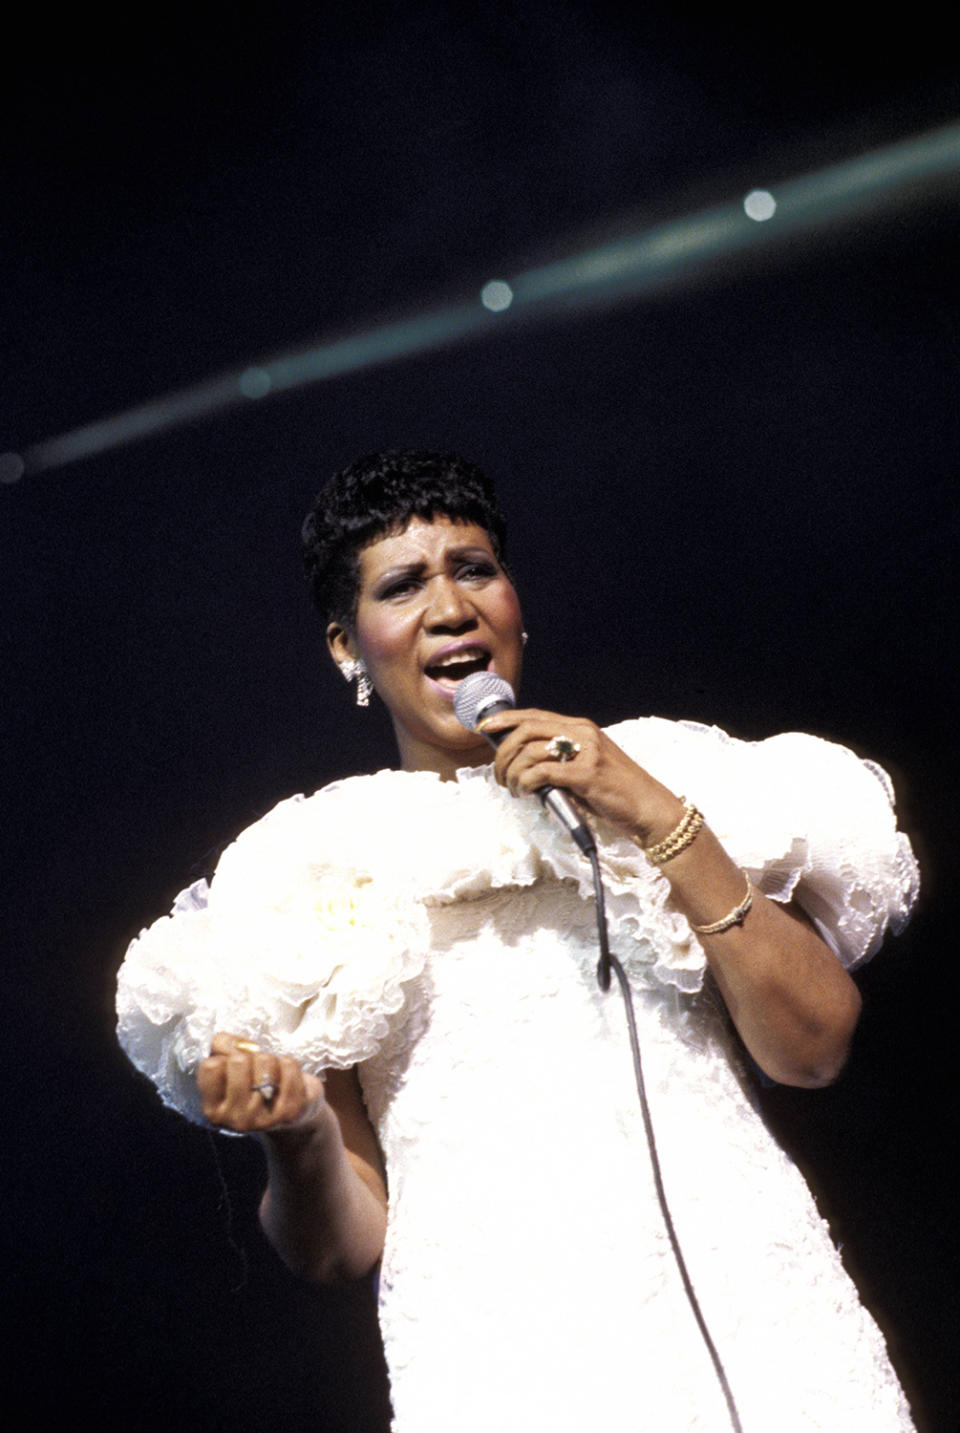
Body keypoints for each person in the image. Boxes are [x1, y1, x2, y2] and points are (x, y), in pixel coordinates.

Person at [117, 449, 919, 1431]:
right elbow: (336, 1244)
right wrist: (297, 1132)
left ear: (515, 602)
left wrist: (658, 816)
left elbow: (814, 1045)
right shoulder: (311, 863)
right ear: (346, 645)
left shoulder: (661, 772)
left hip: (760, 1344)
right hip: (504, 1365)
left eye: (476, 568)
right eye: (404, 584)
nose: (451, 605)